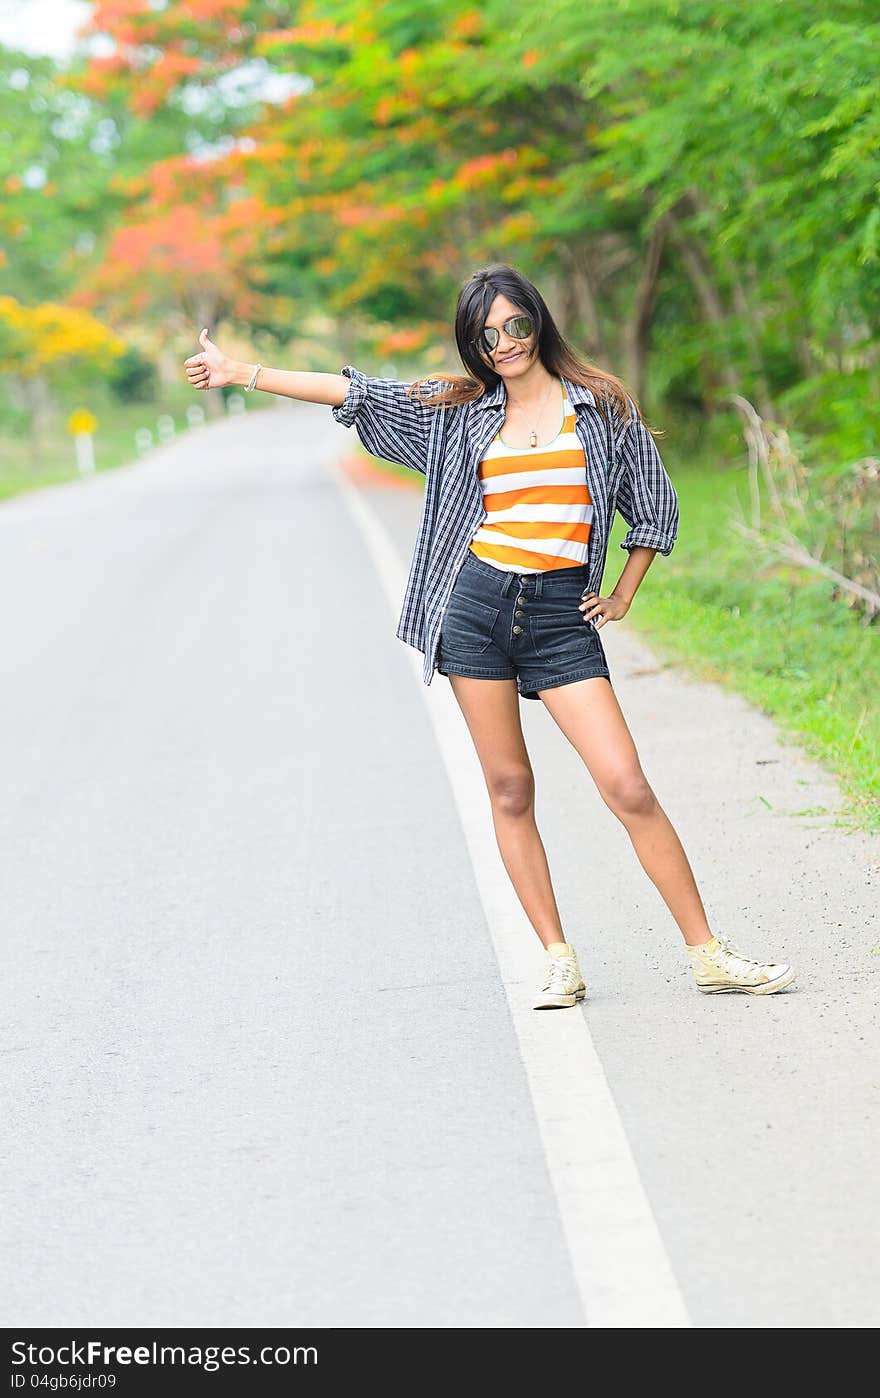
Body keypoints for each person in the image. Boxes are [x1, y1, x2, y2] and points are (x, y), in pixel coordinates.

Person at [183, 263, 796, 1008]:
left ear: (539, 323)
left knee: (626, 784)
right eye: (487, 334)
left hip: (561, 617)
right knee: (510, 789)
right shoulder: (459, 409)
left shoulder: (600, 408)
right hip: (475, 607)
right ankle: (558, 957)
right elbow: (357, 394)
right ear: (473, 345)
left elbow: (654, 508)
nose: (504, 342)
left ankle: (707, 953)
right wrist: (241, 371)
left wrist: (625, 593)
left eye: (515, 325)